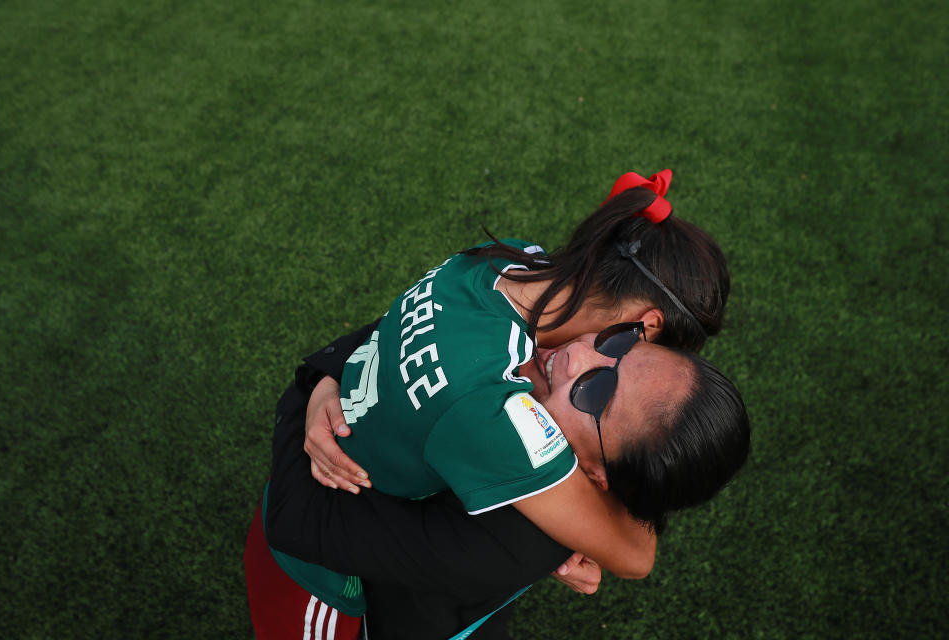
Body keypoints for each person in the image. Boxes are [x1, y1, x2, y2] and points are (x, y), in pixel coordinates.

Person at [245, 171, 750, 638]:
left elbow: (392, 340)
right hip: (326, 584)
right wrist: (312, 390)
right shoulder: (499, 415)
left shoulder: (503, 258)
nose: (576, 359)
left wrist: (323, 380)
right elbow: (633, 553)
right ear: (647, 324)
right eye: (621, 348)